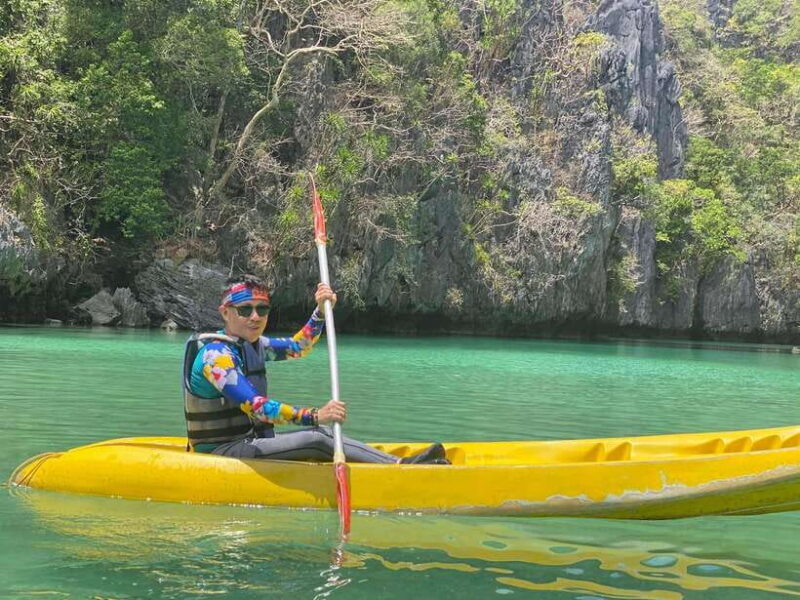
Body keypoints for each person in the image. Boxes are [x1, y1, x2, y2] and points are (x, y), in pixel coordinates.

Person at [183, 274, 449, 464]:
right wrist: (315, 415)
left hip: (247, 441)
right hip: (221, 453)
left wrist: (320, 312)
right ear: (225, 313)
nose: (255, 317)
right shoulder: (216, 357)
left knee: (320, 435)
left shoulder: (253, 345)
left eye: (262, 309)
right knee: (317, 438)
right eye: (245, 310)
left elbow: (299, 347)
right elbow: (257, 408)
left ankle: (390, 462)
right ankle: (401, 467)